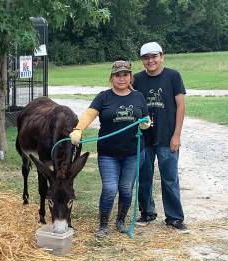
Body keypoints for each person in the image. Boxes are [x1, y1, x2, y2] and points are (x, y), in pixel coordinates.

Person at [70, 61, 150, 238]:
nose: (121, 78)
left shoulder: (138, 97)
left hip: (133, 153)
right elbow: (90, 114)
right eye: (117, 75)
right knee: (110, 188)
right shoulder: (103, 97)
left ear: (130, 77)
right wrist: (78, 129)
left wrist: (146, 123)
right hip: (108, 154)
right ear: (112, 77)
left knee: (126, 189)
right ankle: (103, 225)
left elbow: (144, 117)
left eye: (125, 74)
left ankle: (120, 221)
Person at [133, 42, 188, 233]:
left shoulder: (173, 76)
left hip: (167, 137)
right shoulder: (137, 79)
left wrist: (177, 135)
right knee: (144, 177)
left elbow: (180, 105)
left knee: (170, 178)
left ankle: (174, 218)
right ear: (142, 61)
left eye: (154, 56)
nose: (150, 61)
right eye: (146, 58)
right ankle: (147, 212)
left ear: (161, 56)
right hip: (144, 138)